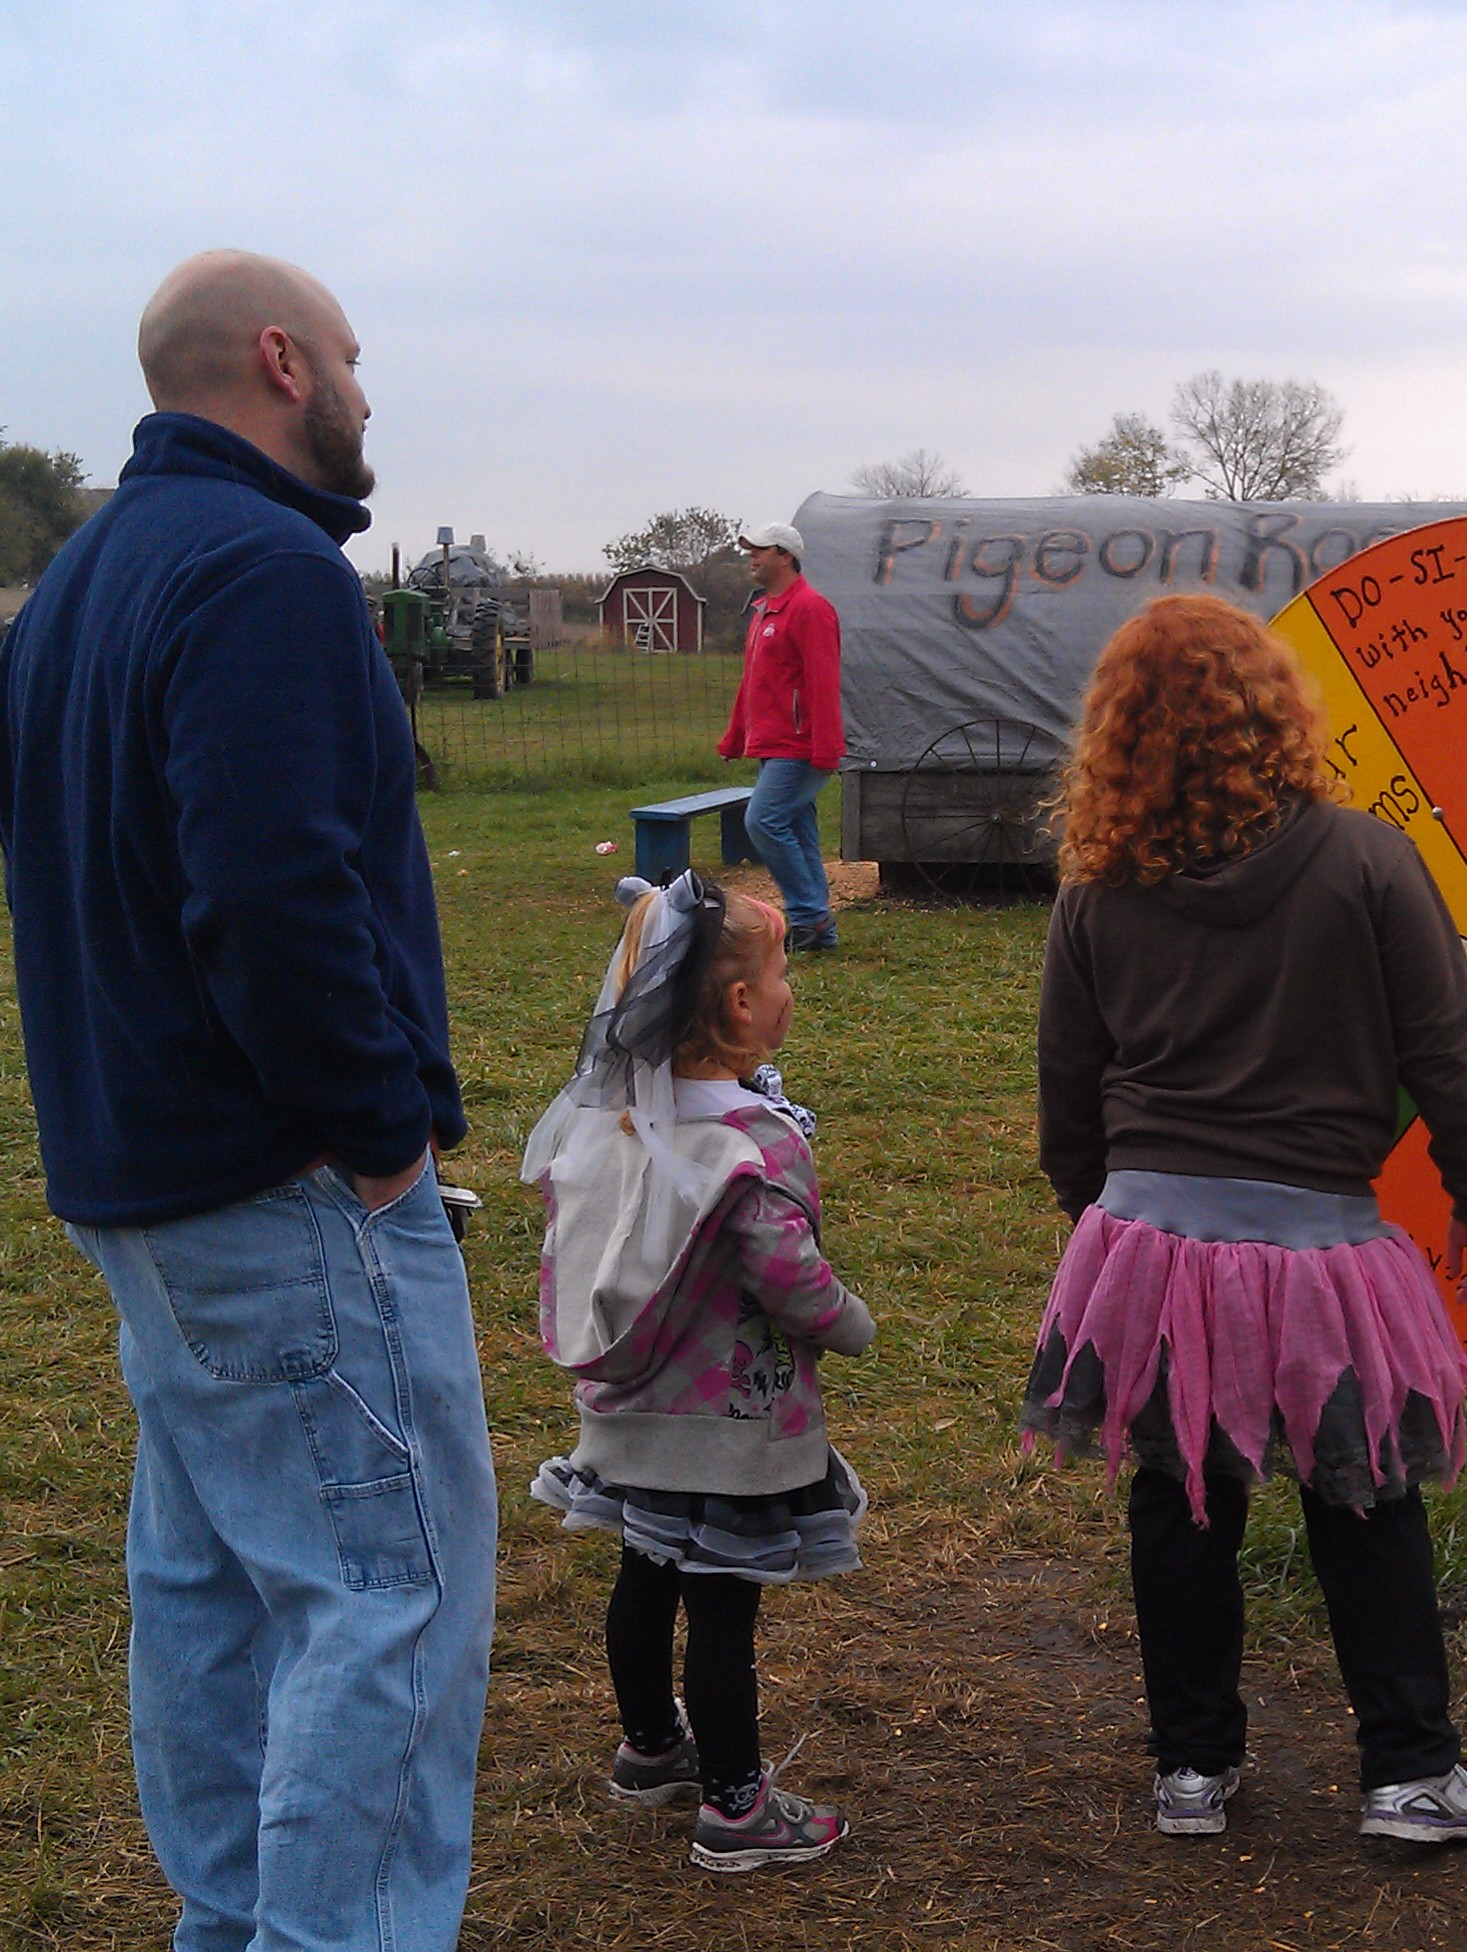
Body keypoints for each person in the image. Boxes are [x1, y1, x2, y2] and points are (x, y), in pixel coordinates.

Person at [0, 250, 497, 1952]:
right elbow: (270, 893)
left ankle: (233, 1921)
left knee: (209, 1588)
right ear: (283, 361)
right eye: (352, 355)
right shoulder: (266, 569)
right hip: (288, 1190)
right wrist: (380, 1136)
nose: (367, 389)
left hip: (143, 1182)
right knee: (387, 1601)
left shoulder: (86, 577)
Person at [1019, 593, 1467, 1847]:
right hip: (1320, 1248)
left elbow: (1067, 1079)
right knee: (1365, 1489)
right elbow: (1447, 1052)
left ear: (1118, 732)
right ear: (1277, 713)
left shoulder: (1097, 888)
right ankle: (1409, 1771)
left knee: (1180, 1490)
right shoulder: (1370, 860)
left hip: (1148, 1238)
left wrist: (1099, 1222)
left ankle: (1191, 1767)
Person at [522, 873, 876, 1873]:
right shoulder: (749, 1144)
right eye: (782, 971)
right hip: (729, 1426)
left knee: (645, 1575)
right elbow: (784, 1270)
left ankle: (649, 1745)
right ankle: (735, 1805)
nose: (789, 989)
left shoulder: (618, 1125)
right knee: (723, 1604)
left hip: (633, 1412)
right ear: (741, 1003)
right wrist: (847, 1321)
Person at [717, 520, 843, 950]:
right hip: (773, 745)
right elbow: (752, 683)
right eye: (750, 549)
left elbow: (823, 682)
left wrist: (826, 748)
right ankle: (818, 929)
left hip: (801, 745)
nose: (751, 556)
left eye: (761, 549)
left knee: (763, 821)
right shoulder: (763, 611)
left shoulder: (810, 608)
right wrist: (735, 737)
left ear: (786, 556)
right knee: (798, 832)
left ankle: (809, 917)